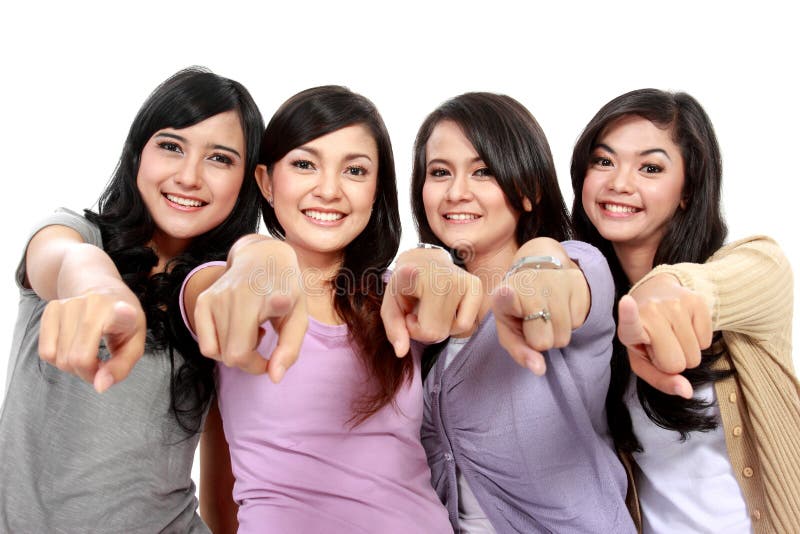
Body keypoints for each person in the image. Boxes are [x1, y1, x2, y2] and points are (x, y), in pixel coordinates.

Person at [0, 67, 271, 532]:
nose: (189, 176)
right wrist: (100, 289)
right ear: (137, 154)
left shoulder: (214, 294)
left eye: (220, 159)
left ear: (245, 181)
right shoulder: (73, 233)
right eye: (171, 146)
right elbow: (67, 260)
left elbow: (223, 478)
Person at [181, 85, 452, 533]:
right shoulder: (229, 284)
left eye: (355, 170)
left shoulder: (396, 297)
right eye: (305, 164)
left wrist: (435, 260)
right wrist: (253, 253)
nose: (329, 190)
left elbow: (442, 284)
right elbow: (218, 287)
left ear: (376, 190)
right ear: (267, 183)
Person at [383, 92, 635, 532]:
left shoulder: (579, 262)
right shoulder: (423, 310)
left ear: (528, 190)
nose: (456, 192)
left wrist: (540, 266)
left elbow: (560, 278)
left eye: (483, 171)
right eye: (439, 172)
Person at [571, 88, 800, 533]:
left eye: (650, 167)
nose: (619, 182)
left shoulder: (755, 268)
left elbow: (722, 282)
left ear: (687, 190)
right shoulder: (594, 314)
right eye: (603, 161)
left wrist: (665, 285)